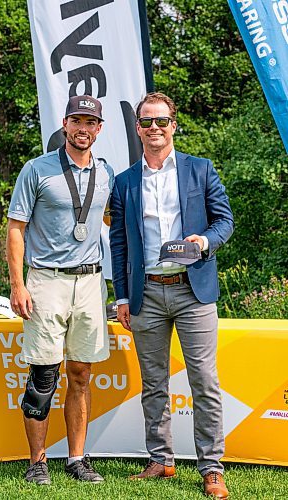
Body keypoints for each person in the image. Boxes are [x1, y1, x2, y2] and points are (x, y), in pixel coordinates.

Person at [109, 92, 234, 499]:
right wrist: (122, 297)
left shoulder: (201, 170)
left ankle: (211, 468)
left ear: (173, 125)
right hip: (147, 295)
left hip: (193, 290)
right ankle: (160, 460)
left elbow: (225, 221)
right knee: (154, 383)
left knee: (204, 381)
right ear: (138, 128)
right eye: (146, 122)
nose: (154, 128)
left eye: (161, 121)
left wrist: (205, 242)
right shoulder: (125, 181)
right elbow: (119, 243)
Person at [6, 95, 114, 485]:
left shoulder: (107, 173)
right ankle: (37, 463)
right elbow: (15, 228)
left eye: (91, 122)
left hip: (89, 281)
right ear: (65, 124)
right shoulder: (37, 169)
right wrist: (17, 284)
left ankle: (76, 459)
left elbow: (111, 219)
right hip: (46, 280)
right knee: (44, 375)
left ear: (99, 129)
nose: (83, 129)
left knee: (81, 374)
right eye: (77, 121)